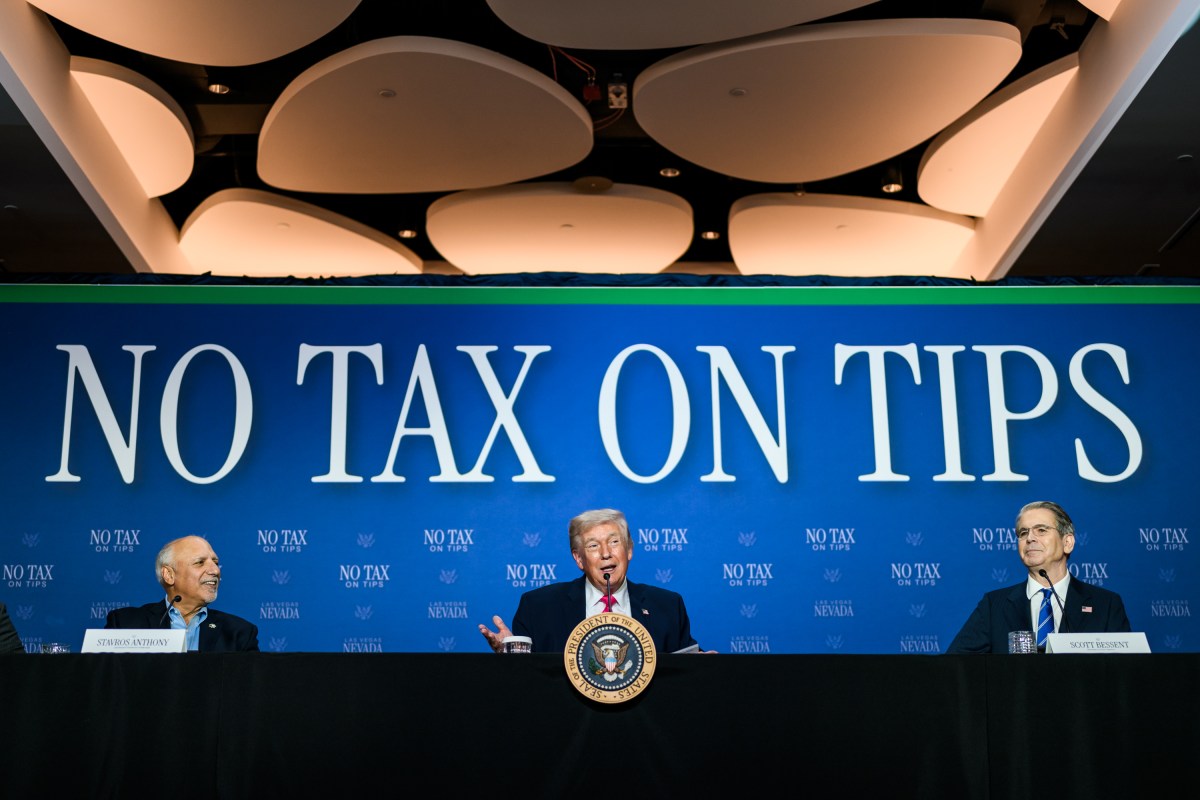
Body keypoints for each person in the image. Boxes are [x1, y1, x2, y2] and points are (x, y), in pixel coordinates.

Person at [479, 508, 711, 654]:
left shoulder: (667, 605)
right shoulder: (539, 606)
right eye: (593, 546)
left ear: (629, 550)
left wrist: (702, 664)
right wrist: (509, 653)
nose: (605, 553)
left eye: (614, 542)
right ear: (579, 558)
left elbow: (684, 666)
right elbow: (528, 680)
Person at [947, 500, 1131, 653]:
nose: (1030, 538)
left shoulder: (1105, 604)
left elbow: (1125, 674)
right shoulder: (994, 605)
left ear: (1067, 542)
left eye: (1041, 530)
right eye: (1023, 533)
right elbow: (956, 666)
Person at [105, 535, 259, 652]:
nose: (215, 570)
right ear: (169, 575)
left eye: (216, 562)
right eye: (200, 562)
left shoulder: (239, 633)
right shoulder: (124, 624)